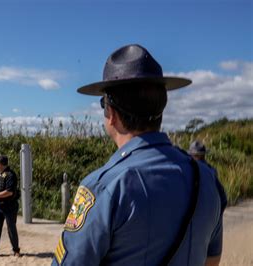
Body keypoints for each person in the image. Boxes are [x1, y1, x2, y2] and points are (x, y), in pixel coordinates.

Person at [53, 44, 227, 266]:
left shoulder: (105, 186)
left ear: (111, 114)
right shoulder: (206, 179)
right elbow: (212, 260)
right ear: (161, 110)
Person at [0, 155, 21, 258]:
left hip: (9, 206)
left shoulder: (11, 175)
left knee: (11, 228)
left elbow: (9, 192)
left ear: (1, 164)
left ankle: (16, 250)